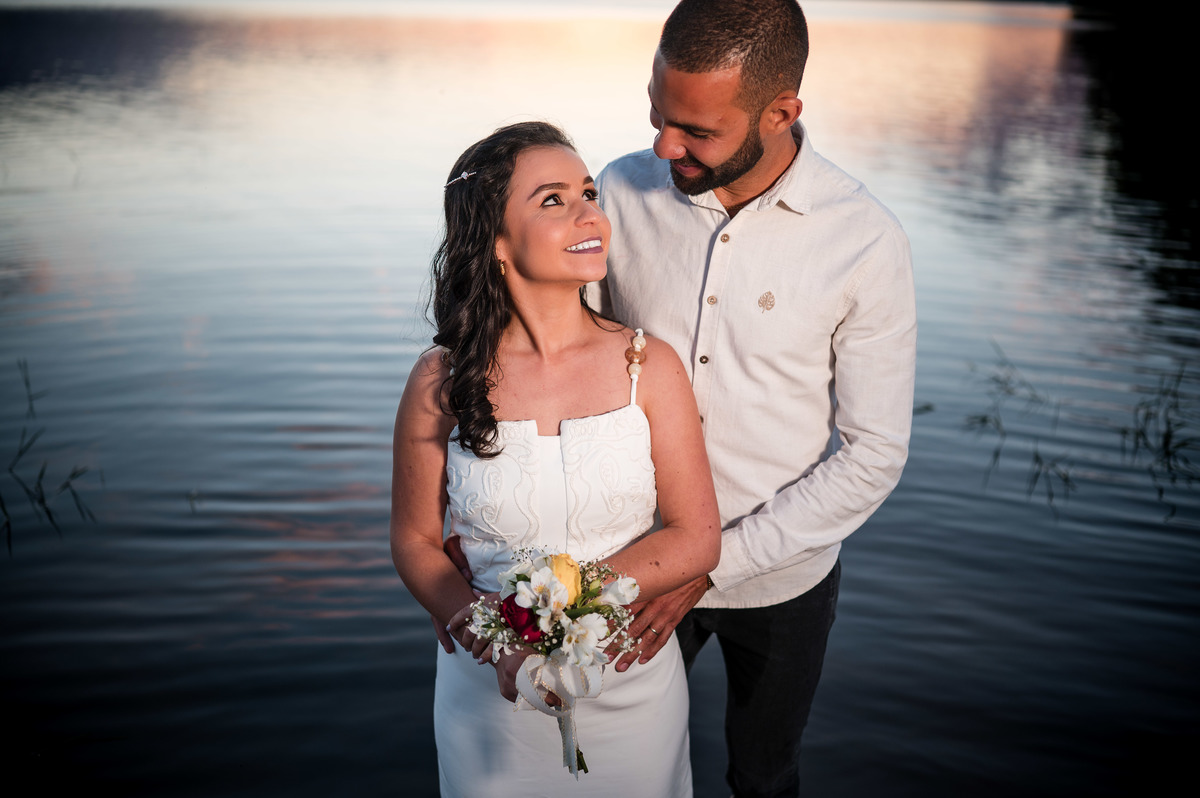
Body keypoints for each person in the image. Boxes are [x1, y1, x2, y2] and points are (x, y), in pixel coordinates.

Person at [590, 1, 917, 796]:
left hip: (782, 582)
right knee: (608, 770)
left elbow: (874, 455)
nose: (665, 146)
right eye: (659, 116)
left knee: (765, 778)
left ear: (781, 112)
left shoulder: (865, 241)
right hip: (630, 557)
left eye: (697, 132)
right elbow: (562, 363)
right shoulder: (618, 192)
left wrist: (710, 567)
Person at [390, 121, 721, 797]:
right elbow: (415, 541)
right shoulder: (439, 380)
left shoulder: (648, 366)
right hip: (488, 695)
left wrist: (560, 609)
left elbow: (697, 536)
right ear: (496, 240)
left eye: (589, 193)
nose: (589, 213)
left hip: (627, 685)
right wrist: (493, 633)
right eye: (553, 199)